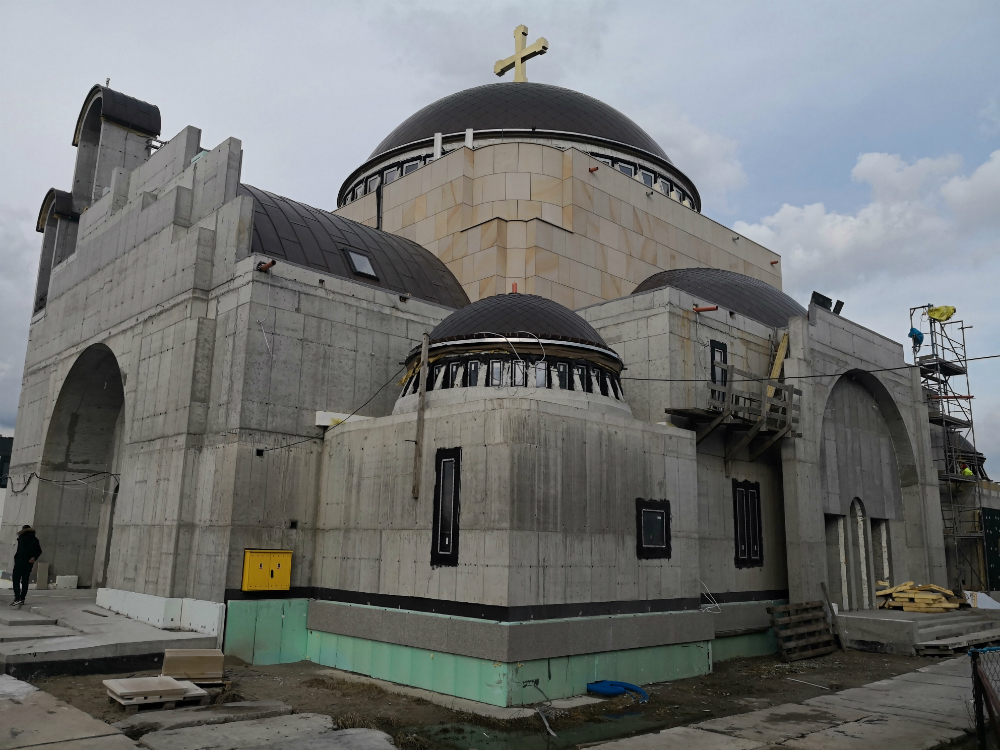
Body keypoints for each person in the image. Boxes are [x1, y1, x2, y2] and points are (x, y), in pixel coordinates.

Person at [11, 525, 41, 607]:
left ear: (23, 530)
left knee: (16, 580)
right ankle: (23, 598)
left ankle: (17, 598)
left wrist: (18, 560)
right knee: (25, 581)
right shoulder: (35, 540)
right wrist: (33, 558)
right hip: (29, 564)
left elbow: (21, 551)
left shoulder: (22, 538)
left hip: (20, 562)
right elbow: (39, 551)